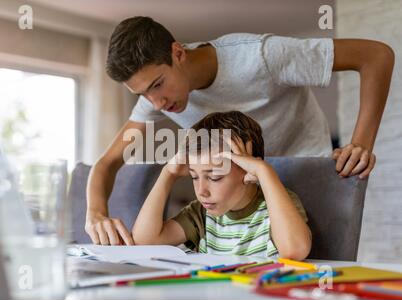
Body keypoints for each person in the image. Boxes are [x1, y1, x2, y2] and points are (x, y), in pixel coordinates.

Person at [85, 16, 394, 245]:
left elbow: (376, 57)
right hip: (237, 188)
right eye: (142, 94)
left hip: (305, 171)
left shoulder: (261, 56)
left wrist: (361, 144)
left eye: (157, 85)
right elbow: (108, 162)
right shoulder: (158, 99)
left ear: (178, 53)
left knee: (308, 263)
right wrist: (95, 213)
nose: (157, 102)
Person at [132, 111, 311, 259]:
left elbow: (295, 250)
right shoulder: (201, 214)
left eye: (215, 178)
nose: (201, 192)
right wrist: (168, 174)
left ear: (248, 168)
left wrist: (264, 172)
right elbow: (144, 240)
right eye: (194, 177)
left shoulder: (277, 205)